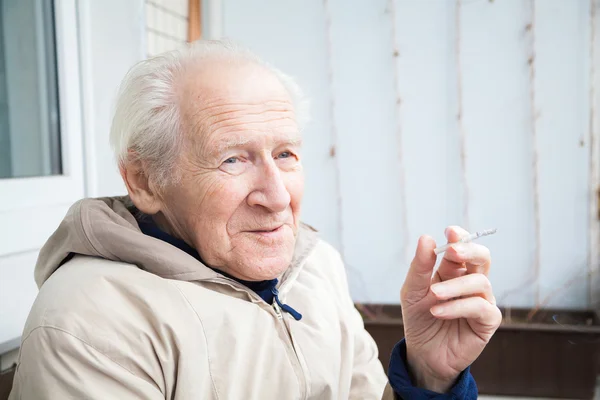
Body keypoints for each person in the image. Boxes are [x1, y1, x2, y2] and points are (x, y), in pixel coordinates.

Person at [9, 40, 501, 399]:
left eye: (285, 153)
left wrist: (429, 377)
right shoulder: (91, 319)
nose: (276, 195)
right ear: (144, 180)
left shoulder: (315, 268)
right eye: (233, 160)